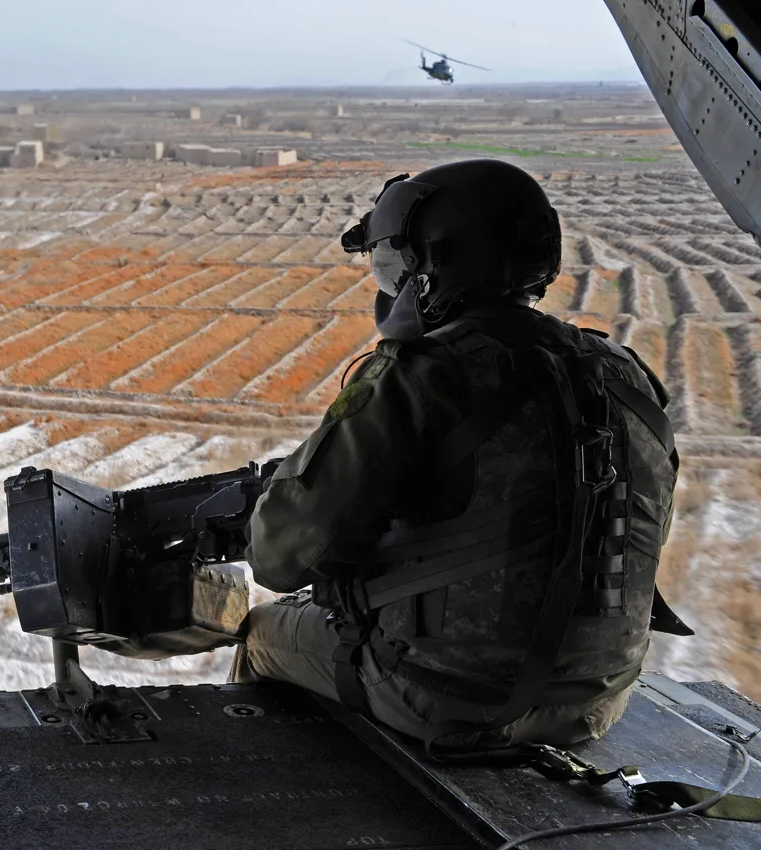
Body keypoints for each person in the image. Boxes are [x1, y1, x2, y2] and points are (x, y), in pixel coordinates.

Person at [229, 158, 693, 755]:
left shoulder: (424, 375)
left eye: (398, 264)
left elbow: (280, 557)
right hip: (595, 701)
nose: (391, 284)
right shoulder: (623, 374)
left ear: (433, 264)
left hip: (448, 696)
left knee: (262, 633)